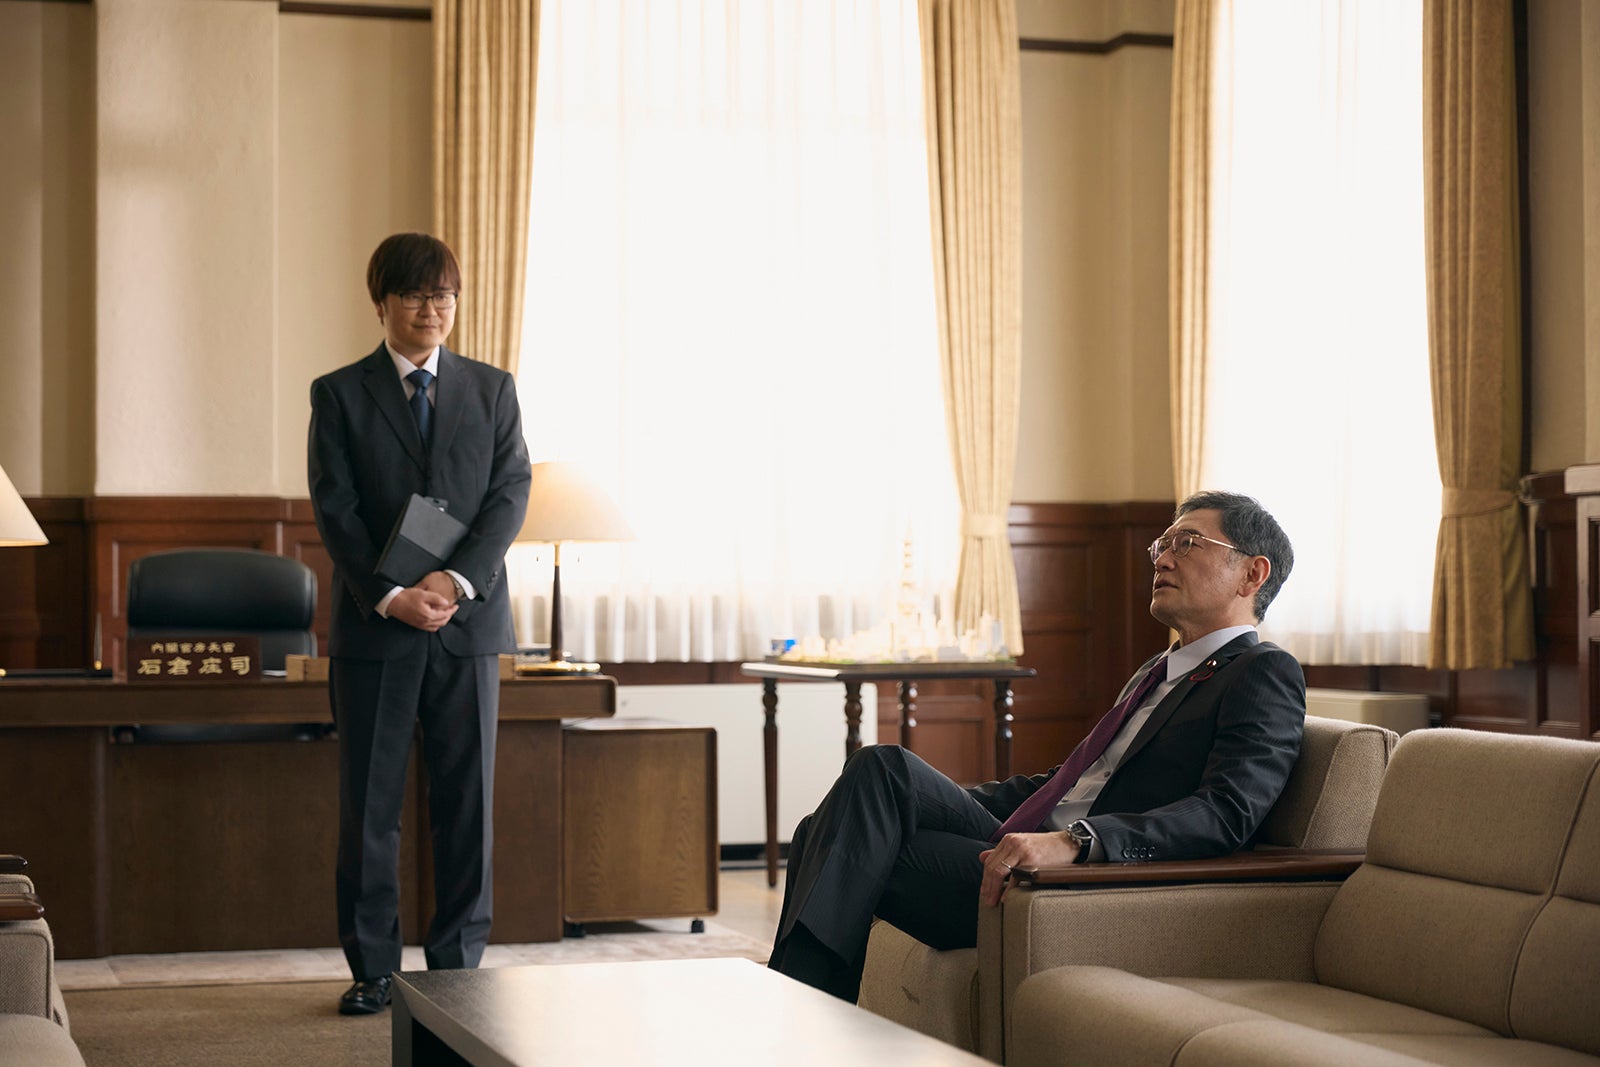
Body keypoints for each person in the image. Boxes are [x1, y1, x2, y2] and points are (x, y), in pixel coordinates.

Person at [768, 490, 1304, 1001]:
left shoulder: (1262, 671)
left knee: (831, 835)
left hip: (1084, 877)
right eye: (1162, 545)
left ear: (1252, 574)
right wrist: (935, 803)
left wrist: (1078, 841)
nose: (1162, 558)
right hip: (1032, 840)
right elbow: (1068, 784)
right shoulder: (1156, 672)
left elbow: (1227, 811)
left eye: (1186, 543)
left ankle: (800, 1008)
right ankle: (806, 1009)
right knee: (880, 774)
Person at [308, 233, 531, 1015]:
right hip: (377, 629)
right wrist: (392, 593)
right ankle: (373, 968)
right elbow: (335, 508)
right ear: (381, 303)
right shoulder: (339, 394)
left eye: (444, 294)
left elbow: (509, 494)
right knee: (370, 807)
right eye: (414, 294)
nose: (432, 308)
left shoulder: (493, 389)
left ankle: (456, 966)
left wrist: (454, 579)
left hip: (466, 627)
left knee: (466, 804)